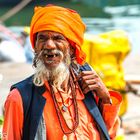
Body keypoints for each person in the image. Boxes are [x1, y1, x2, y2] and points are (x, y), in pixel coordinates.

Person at [2, 4, 122, 140]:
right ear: (35, 47)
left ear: (71, 47)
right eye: (42, 38)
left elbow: (109, 135)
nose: (49, 45)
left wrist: (105, 98)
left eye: (58, 38)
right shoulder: (19, 98)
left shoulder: (89, 86)